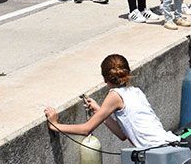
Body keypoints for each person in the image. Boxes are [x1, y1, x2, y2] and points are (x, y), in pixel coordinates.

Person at [44, 54, 179, 148]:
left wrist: (55, 125)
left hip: (154, 151)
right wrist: (99, 111)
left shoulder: (114, 96)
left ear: (104, 79)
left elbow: (86, 129)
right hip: (167, 143)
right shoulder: (136, 91)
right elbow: (122, 135)